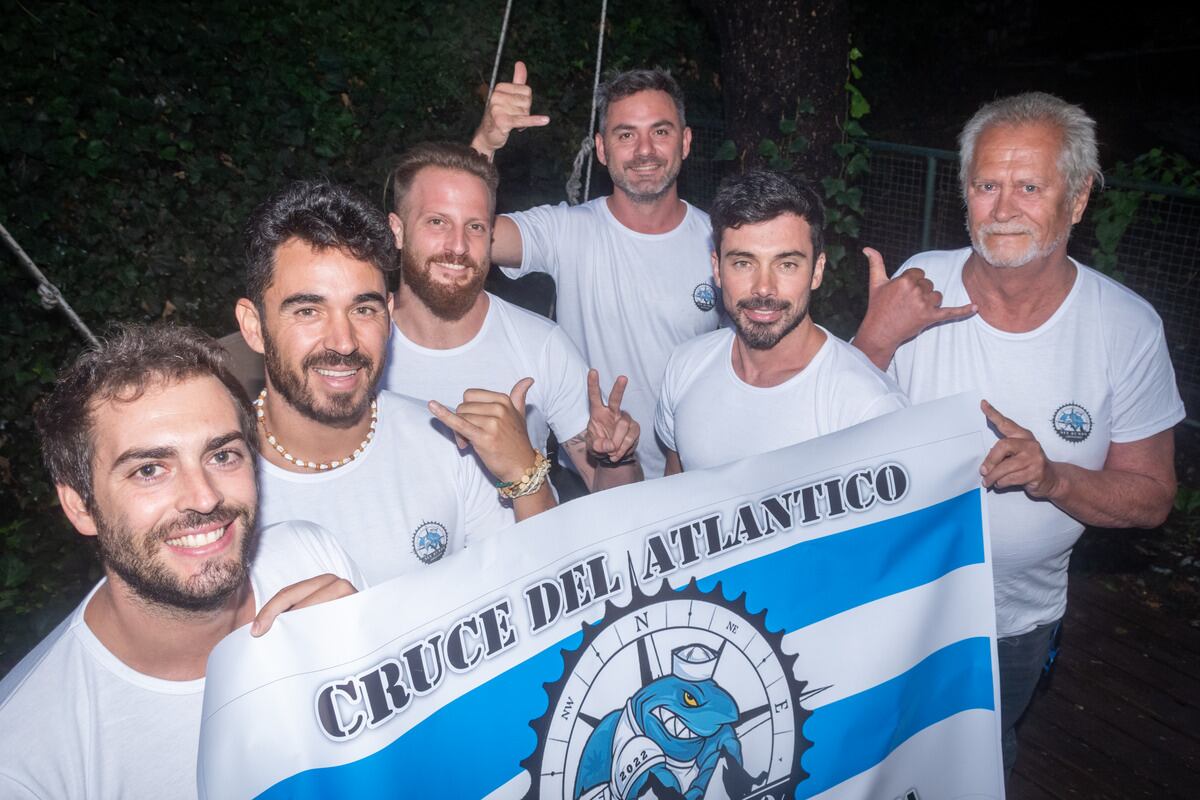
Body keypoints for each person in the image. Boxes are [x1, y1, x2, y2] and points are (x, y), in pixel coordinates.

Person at [851, 92, 1185, 776]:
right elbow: (823, 447)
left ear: (1080, 198)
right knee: (869, 760)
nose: (1003, 209)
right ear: (965, 193)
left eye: (1029, 186)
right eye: (986, 185)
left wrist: (1052, 476)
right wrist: (872, 342)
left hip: (1016, 620)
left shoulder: (1126, 327)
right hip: (887, 600)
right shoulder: (918, 288)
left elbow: (1152, 498)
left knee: (978, 764)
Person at [0, 324, 362, 799]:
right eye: (150, 470)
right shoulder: (27, 759)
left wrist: (372, 655)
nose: (205, 497)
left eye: (223, 455)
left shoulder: (312, 561)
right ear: (81, 507)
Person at [235, 180, 525, 586]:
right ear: (253, 326)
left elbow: (529, 593)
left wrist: (527, 476)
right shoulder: (214, 485)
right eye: (307, 311)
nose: (343, 342)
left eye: (363, 308)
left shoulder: (447, 446)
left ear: (388, 315)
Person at [472, 63, 720, 478]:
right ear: (602, 149)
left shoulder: (723, 243)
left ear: (686, 142)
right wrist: (485, 142)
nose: (644, 150)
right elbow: (467, 234)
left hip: (696, 478)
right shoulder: (568, 230)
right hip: (591, 478)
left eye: (660, 131)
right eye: (626, 135)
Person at [382, 142, 642, 513]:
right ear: (397, 230)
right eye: (437, 222)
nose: (457, 246)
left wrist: (617, 457)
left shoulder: (541, 345)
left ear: (490, 237)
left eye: (474, 226)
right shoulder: (354, 350)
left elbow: (617, 503)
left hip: (530, 565)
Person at [655, 170, 907, 473]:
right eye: (743, 263)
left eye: (786, 264)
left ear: (817, 271)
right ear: (717, 269)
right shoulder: (685, 367)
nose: (764, 287)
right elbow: (674, 498)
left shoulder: (868, 405)